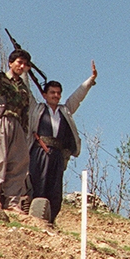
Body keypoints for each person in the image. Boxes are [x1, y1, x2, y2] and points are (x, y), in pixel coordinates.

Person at [28, 61, 97, 222]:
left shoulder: (65, 111)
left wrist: (91, 79)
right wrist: (25, 70)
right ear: (45, 95)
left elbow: (77, 97)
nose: (56, 95)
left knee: (55, 188)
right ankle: (34, 217)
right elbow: (26, 91)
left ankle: (50, 220)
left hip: (57, 155)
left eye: (58, 93)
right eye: (52, 92)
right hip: (39, 152)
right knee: (38, 183)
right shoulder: (37, 109)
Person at [0, 42, 33, 213]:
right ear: (11, 63)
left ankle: (12, 201)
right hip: (1, 120)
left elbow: (25, 111)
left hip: (17, 124)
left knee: (18, 163)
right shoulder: (1, 78)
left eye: (24, 64)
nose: (21, 66)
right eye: (19, 62)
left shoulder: (23, 88)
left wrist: (24, 132)